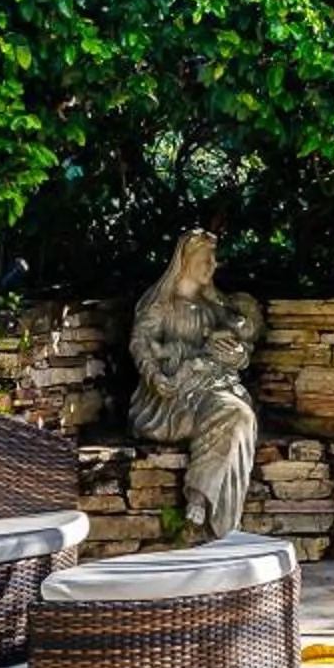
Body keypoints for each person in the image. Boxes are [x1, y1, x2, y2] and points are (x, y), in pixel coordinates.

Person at [128, 229, 264, 536]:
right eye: (207, 259)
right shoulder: (160, 306)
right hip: (172, 398)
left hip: (214, 388)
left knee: (240, 416)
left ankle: (206, 499)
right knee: (235, 415)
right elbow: (141, 347)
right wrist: (158, 378)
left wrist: (237, 353)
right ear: (186, 261)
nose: (213, 265)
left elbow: (239, 352)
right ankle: (209, 508)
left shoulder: (214, 308)